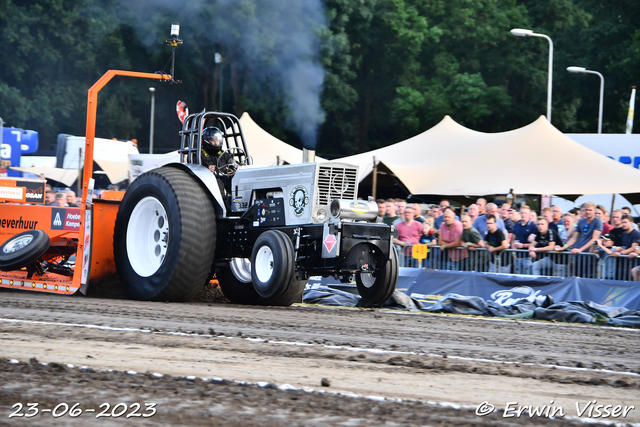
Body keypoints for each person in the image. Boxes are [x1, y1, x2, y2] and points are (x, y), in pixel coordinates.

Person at [563, 202, 602, 278]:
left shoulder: (598, 221)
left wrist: (580, 250)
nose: (587, 212)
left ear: (594, 211)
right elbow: (573, 238)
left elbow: (594, 238)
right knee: (575, 276)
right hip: (578, 254)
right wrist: (562, 248)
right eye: (586, 210)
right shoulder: (581, 221)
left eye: (590, 210)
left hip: (590, 254)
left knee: (588, 278)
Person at [510, 205, 538, 274]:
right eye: (522, 213)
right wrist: (513, 253)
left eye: (525, 213)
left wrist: (523, 245)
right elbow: (513, 240)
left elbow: (536, 243)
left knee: (527, 277)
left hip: (528, 256)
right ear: (519, 213)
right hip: (517, 256)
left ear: (529, 214)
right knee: (518, 277)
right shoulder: (517, 224)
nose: (523, 215)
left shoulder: (533, 226)